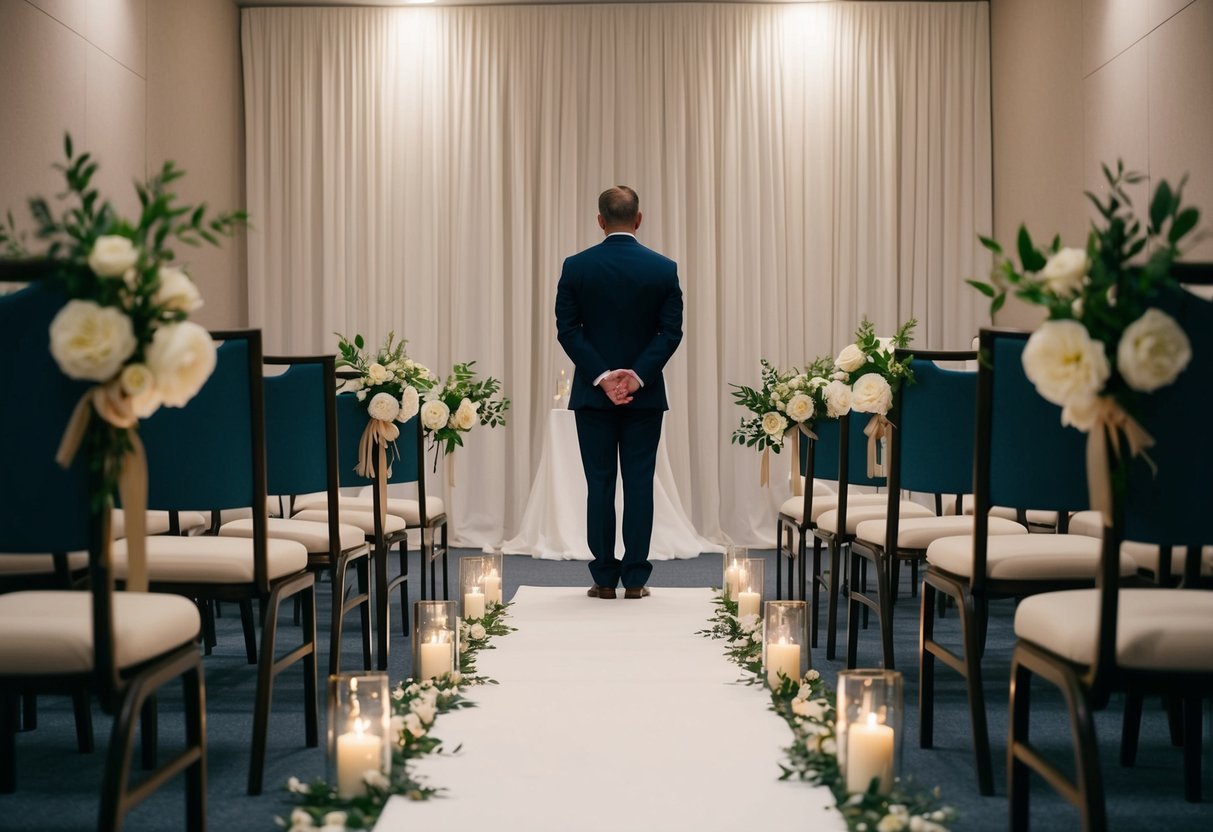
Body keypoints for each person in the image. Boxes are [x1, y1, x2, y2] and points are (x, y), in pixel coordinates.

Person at [554, 186, 684, 600]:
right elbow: (671, 332)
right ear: (639, 219)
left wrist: (603, 376)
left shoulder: (576, 267)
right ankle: (636, 580)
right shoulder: (664, 269)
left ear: (600, 220)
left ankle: (604, 579)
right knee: (640, 483)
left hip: (593, 397)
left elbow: (567, 329)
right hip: (644, 398)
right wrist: (637, 376)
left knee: (600, 485)